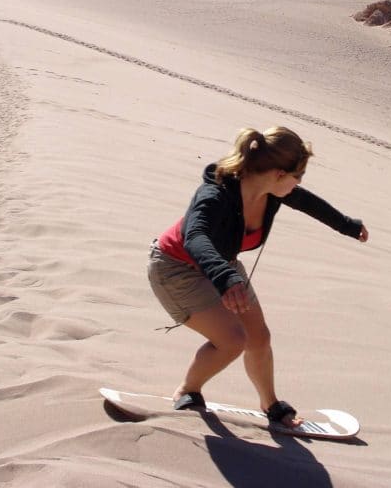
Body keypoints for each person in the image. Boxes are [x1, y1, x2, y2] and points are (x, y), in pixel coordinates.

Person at [147, 126, 369, 428]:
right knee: (233, 340)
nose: (299, 184)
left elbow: (307, 202)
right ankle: (188, 390)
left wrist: (348, 225)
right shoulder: (215, 194)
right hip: (176, 268)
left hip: (221, 267)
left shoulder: (272, 192)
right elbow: (195, 236)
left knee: (259, 338)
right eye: (298, 176)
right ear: (278, 173)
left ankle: (270, 403)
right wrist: (226, 278)